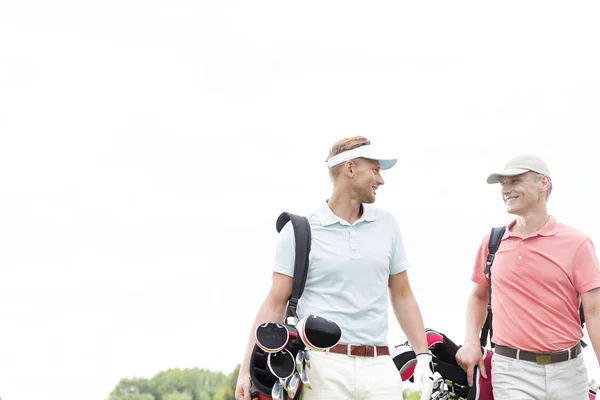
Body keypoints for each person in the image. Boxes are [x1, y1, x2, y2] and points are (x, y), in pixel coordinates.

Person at [235, 136, 433, 400]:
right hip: (321, 367)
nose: (381, 180)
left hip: (379, 366)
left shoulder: (388, 225)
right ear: (350, 168)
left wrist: (423, 356)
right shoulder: (299, 231)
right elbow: (275, 302)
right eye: (375, 170)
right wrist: (246, 369)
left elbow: (402, 294)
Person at [455, 154, 600, 399]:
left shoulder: (577, 243)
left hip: (569, 372)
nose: (506, 189)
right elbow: (478, 296)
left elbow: (595, 312)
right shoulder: (493, 242)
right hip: (512, 371)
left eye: (515, 181)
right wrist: (471, 341)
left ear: (544, 183)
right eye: (503, 184)